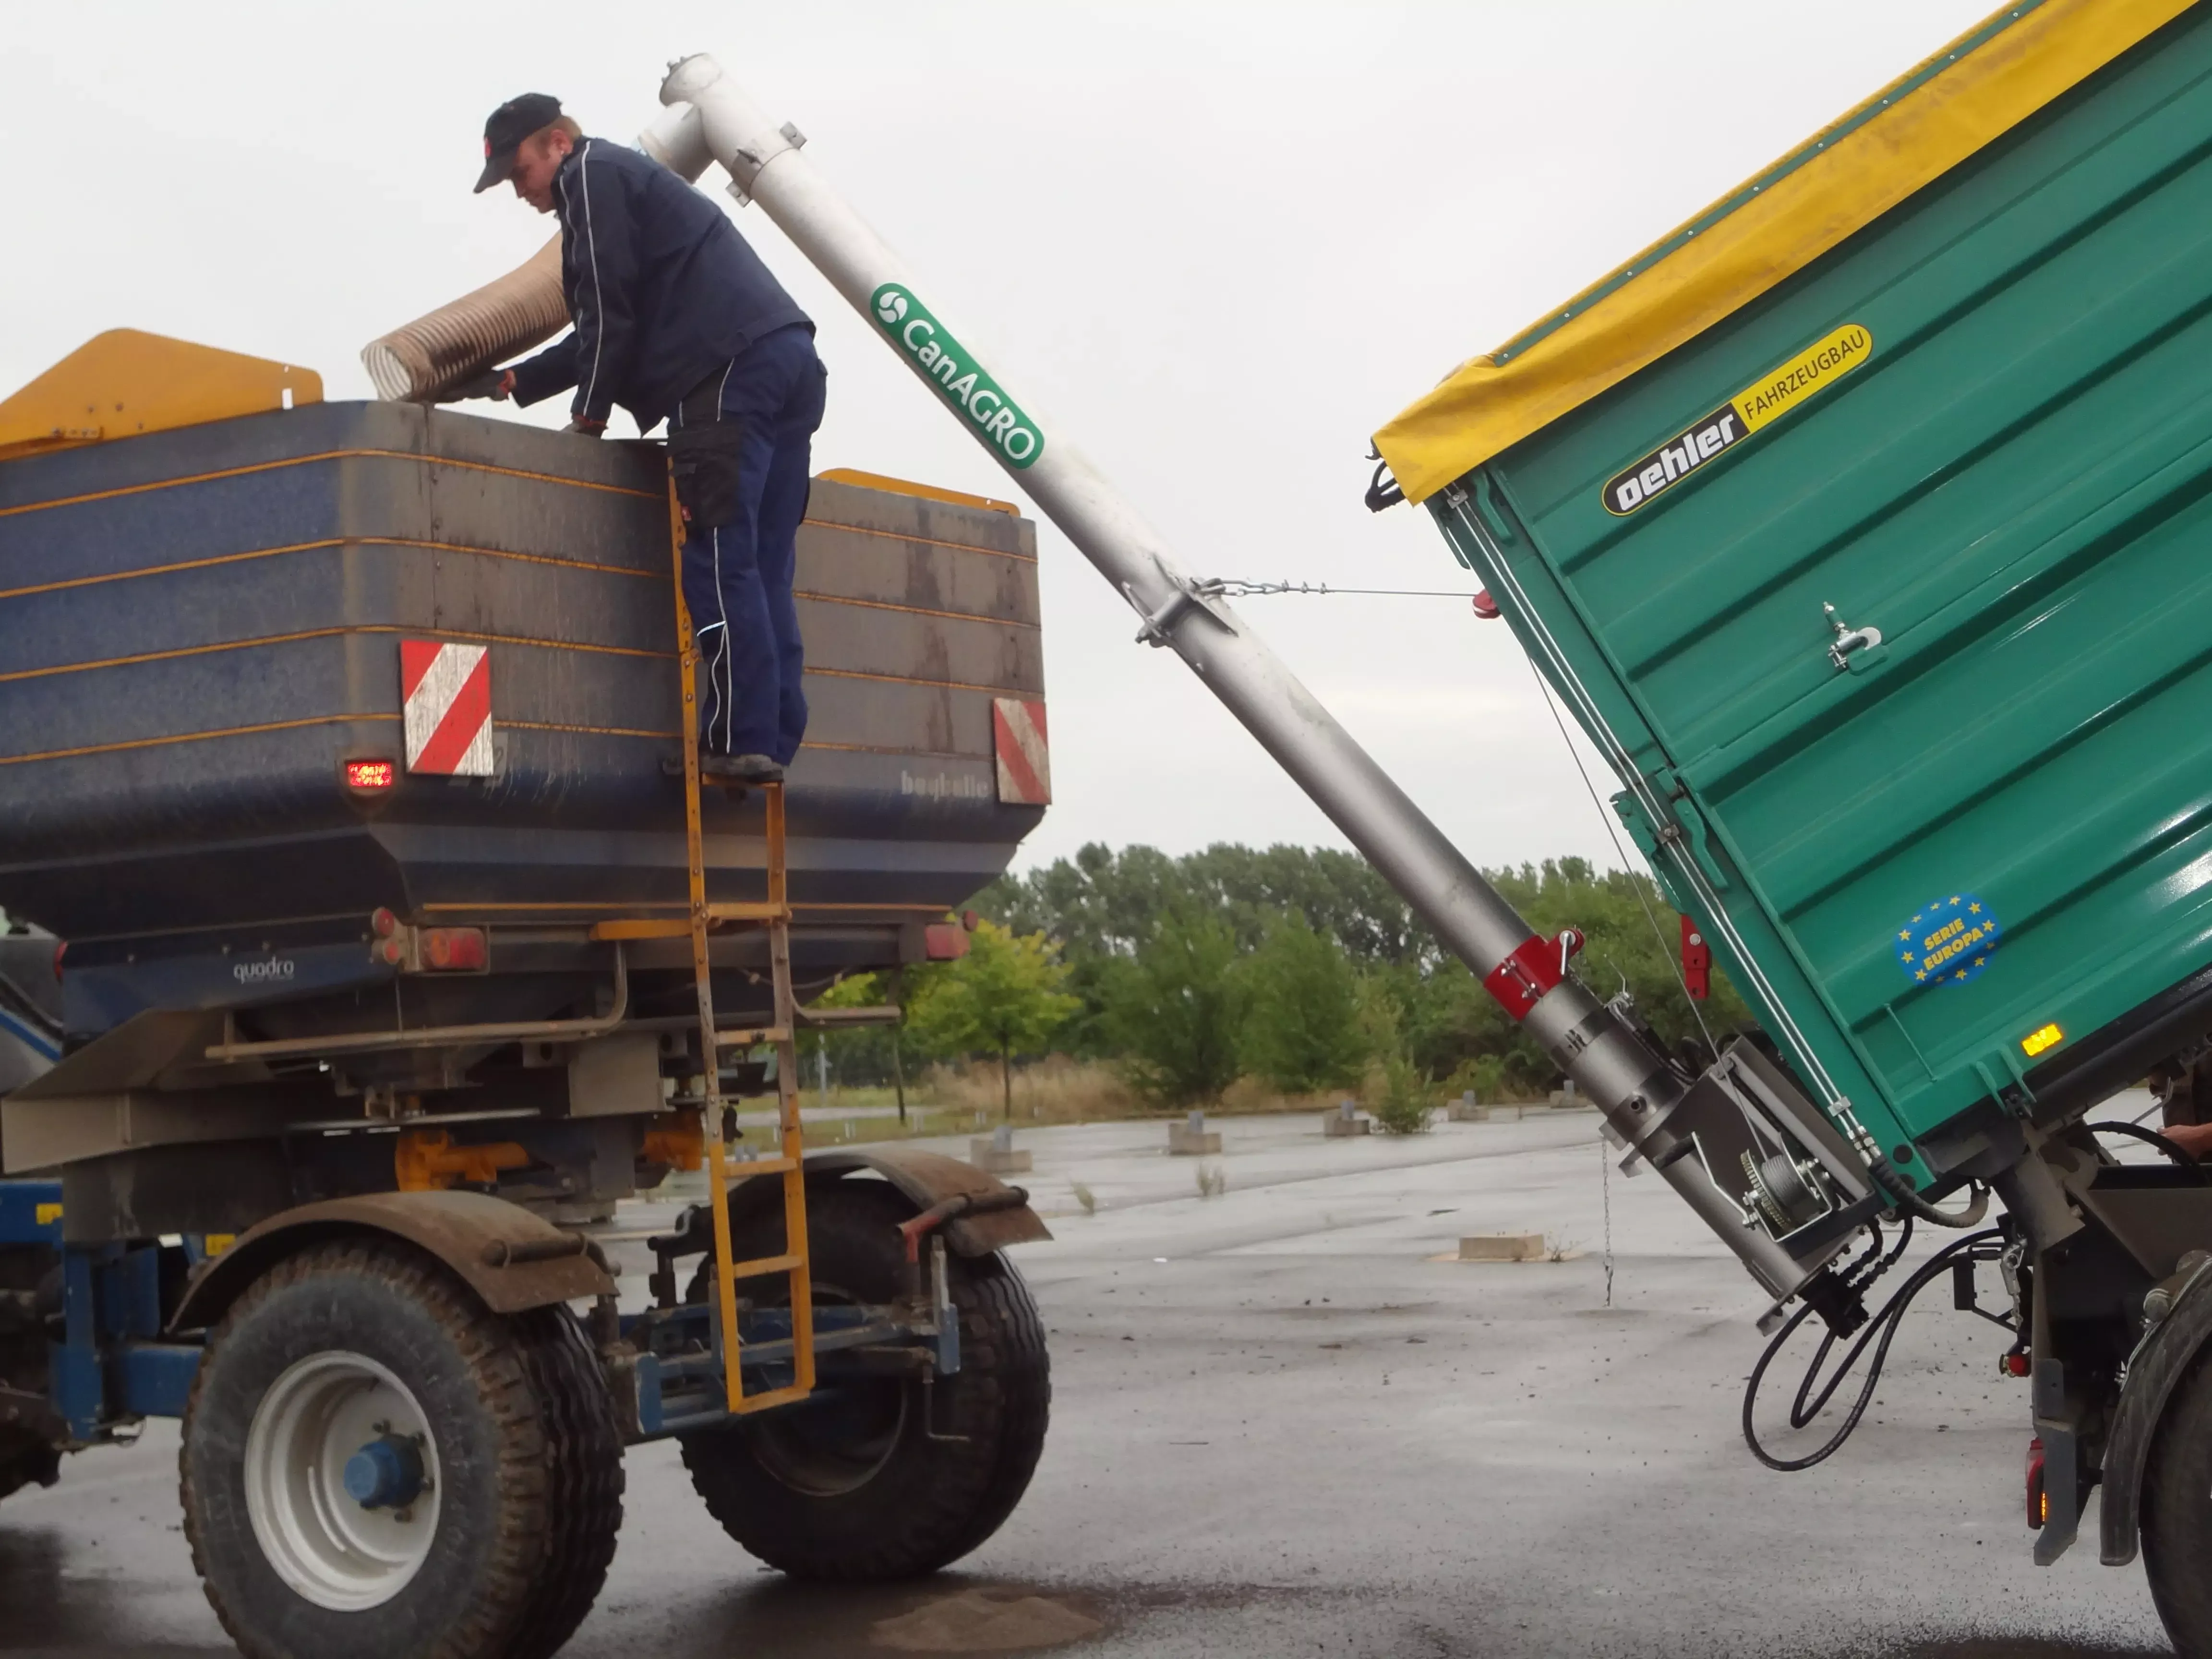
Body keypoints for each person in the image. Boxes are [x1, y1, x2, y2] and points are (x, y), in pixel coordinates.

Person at [466, 93, 826, 783]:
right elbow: (610, 322)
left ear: (558, 144)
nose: (520, 191)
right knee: (764, 564)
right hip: (787, 362)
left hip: (725, 373)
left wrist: (589, 418)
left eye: (520, 173)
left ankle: (735, 740)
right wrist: (519, 379)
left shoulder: (588, 177)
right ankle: (769, 740)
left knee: (720, 560)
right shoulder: (625, 179)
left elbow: (608, 311)